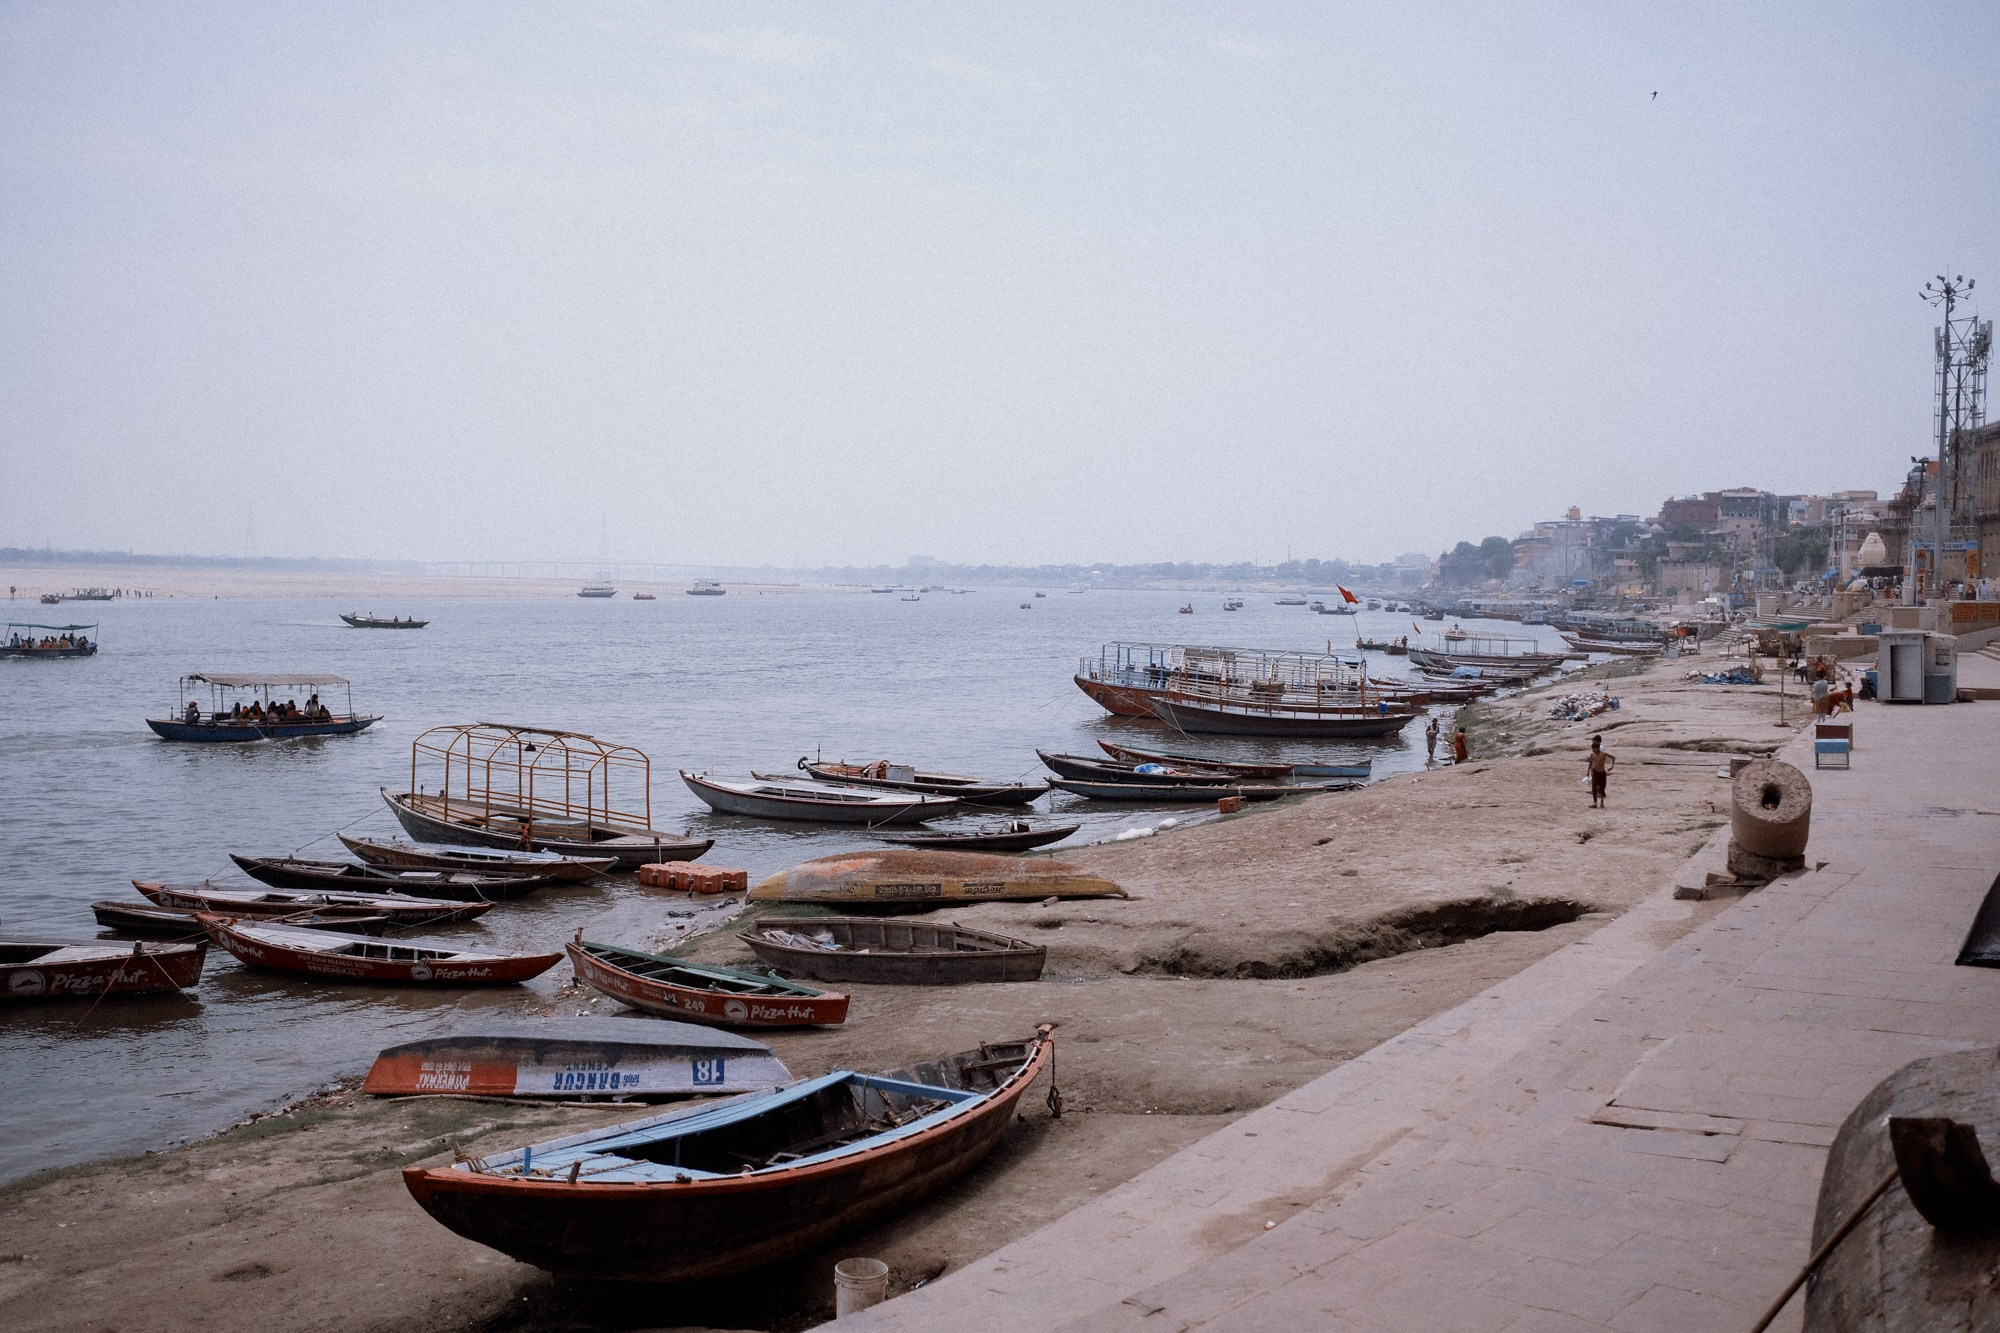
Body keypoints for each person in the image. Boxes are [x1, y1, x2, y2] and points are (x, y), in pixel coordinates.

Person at [1586, 735, 1615, 808]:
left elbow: (1613, 757)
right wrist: (1588, 771)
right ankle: (1595, 803)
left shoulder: (1603, 754)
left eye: (1593, 749)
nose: (1592, 750)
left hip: (1602, 773)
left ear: (1597, 748)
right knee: (1594, 787)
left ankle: (1602, 803)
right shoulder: (1592, 754)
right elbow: (1590, 763)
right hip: (1595, 772)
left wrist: (1612, 767)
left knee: (1602, 788)